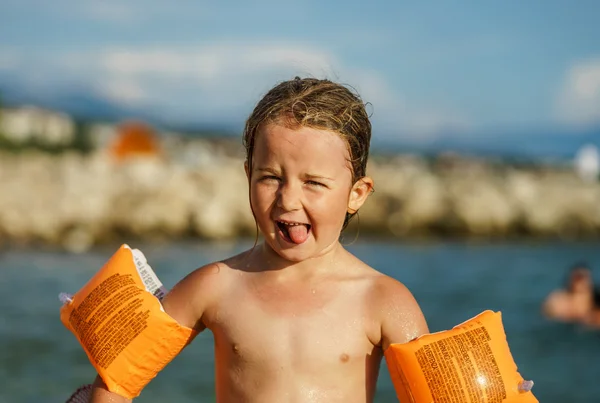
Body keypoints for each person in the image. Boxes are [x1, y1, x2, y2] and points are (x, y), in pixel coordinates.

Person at [89, 77, 429, 402]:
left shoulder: (383, 300)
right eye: (271, 177)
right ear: (248, 175)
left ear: (357, 194)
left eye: (313, 182)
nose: (288, 199)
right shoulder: (217, 286)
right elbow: (118, 379)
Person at [542, 262, 600, 327]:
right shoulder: (558, 298)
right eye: (578, 277)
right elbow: (547, 316)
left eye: (583, 277)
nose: (580, 281)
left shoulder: (595, 298)